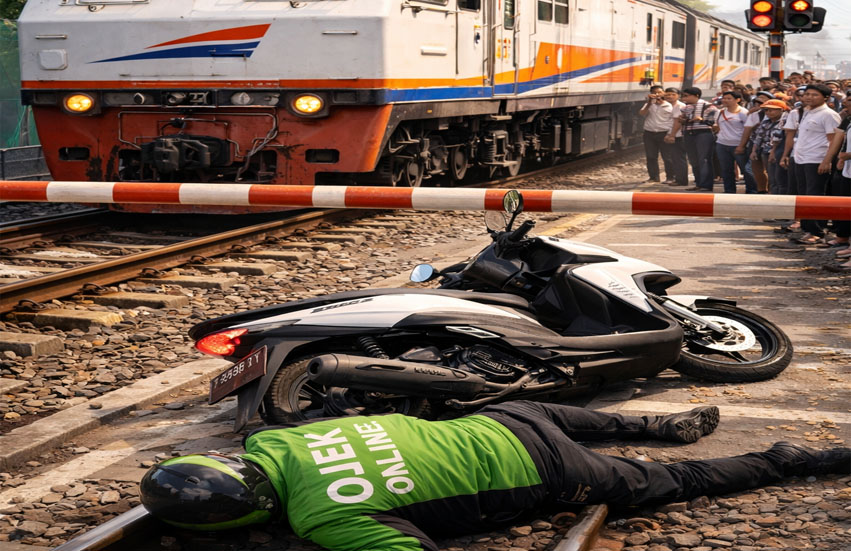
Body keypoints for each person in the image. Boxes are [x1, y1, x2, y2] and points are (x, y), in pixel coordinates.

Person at [138, 401, 850, 551]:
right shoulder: (288, 438)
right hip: (510, 423)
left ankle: (787, 462)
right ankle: (650, 421)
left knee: (667, 482)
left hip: (547, 471)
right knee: (535, 404)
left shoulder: (328, 522)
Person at [781, 84, 842, 244]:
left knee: (815, 196)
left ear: (826, 98)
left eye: (814, 95)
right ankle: (807, 229)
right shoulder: (805, 113)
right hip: (801, 159)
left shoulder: (829, 115)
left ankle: (817, 231)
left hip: (817, 160)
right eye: (807, 94)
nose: (809, 97)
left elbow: (833, 141)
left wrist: (827, 160)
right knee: (803, 195)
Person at [666, 87, 718, 192]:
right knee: (694, 160)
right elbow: (682, 120)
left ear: (696, 96)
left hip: (703, 134)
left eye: (687, 96)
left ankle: (706, 185)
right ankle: (699, 183)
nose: (684, 98)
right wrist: (683, 120)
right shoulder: (687, 107)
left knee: (704, 159)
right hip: (689, 133)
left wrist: (701, 119)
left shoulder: (709, 107)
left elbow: (713, 123)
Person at [714, 90, 752, 194]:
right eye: (724, 98)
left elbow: (748, 130)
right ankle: (729, 191)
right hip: (722, 144)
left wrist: (742, 145)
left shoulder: (743, 113)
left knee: (746, 170)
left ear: (737, 100)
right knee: (726, 170)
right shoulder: (720, 112)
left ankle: (751, 190)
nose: (725, 100)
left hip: (738, 145)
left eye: (729, 98)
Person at [751, 99, 790, 195]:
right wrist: (754, 151)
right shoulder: (766, 122)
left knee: (780, 178)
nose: (769, 112)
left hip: (780, 152)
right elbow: (758, 137)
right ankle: (773, 196)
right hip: (765, 151)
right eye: (766, 110)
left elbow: (777, 138)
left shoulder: (786, 121)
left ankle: (781, 199)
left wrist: (773, 151)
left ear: (782, 110)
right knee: (772, 177)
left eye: (772, 110)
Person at [639, 85, 675, 183]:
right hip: (649, 133)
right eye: (654, 93)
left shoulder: (670, 105)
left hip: (664, 133)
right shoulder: (649, 104)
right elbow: (642, 113)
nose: (657, 95)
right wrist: (649, 103)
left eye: (659, 92)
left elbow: (673, 120)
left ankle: (670, 177)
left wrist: (670, 134)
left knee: (667, 157)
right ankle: (654, 177)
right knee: (651, 156)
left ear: (664, 93)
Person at [664, 87, 689, 187]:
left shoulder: (679, 106)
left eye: (673, 94)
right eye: (667, 94)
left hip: (678, 136)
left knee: (679, 158)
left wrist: (672, 135)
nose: (670, 96)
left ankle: (681, 180)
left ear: (678, 95)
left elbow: (678, 122)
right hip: (676, 135)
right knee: (676, 158)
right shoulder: (675, 106)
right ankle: (679, 179)